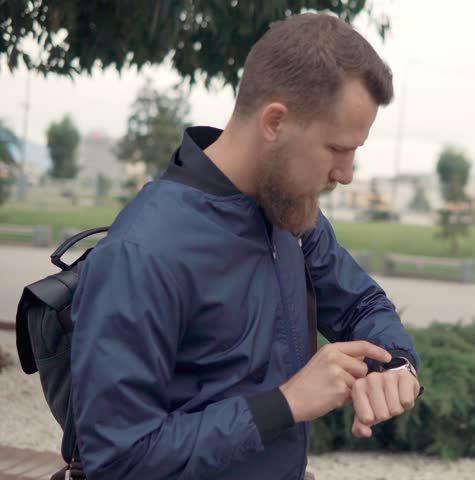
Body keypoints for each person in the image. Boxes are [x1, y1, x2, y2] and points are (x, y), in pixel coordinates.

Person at [70, 12, 421, 480]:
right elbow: (120, 458)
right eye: (337, 149)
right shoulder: (143, 252)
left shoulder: (291, 214)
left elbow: (362, 304)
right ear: (275, 121)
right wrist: (285, 404)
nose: (346, 174)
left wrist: (396, 364)